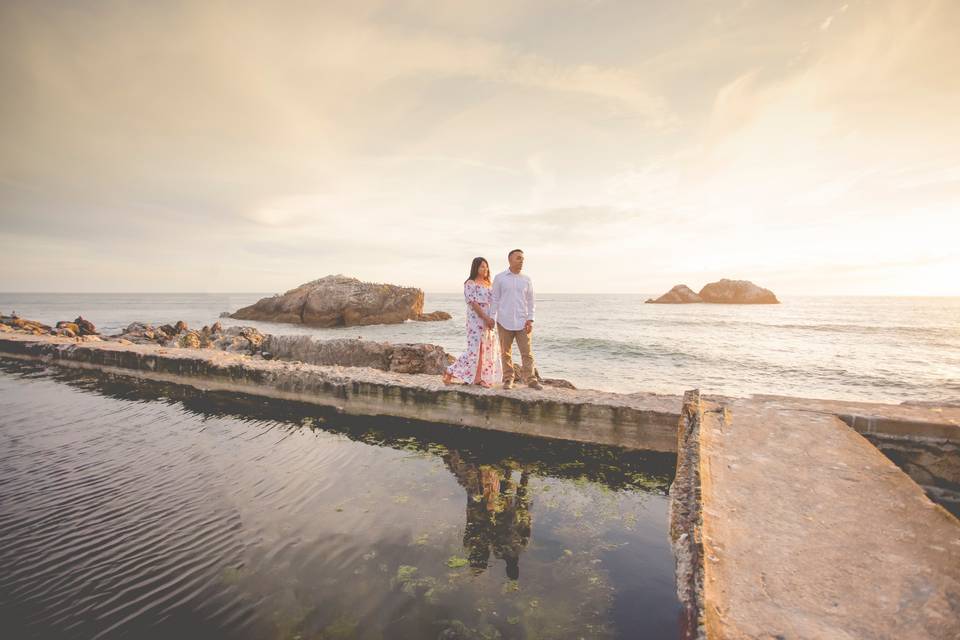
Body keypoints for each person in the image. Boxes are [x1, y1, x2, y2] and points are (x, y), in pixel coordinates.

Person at [443, 257, 502, 387]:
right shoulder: (470, 283)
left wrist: (492, 319)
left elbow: (494, 302)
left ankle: (478, 378)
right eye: (482, 266)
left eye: (486, 266)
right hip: (475, 319)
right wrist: (485, 318)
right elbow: (473, 304)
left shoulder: (489, 284)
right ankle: (450, 370)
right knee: (474, 350)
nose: (485, 269)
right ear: (476, 268)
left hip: (489, 319)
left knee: (485, 349)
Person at [491, 249, 541, 390]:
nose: (522, 261)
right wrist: (491, 318)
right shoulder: (500, 278)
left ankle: (531, 379)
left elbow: (531, 301)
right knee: (505, 352)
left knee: (527, 352)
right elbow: (494, 300)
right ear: (510, 260)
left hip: (522, 322)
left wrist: (530, 319)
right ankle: (508, 379)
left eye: (523, 259)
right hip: (503, 321)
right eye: (518, 258)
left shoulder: (527, 279)